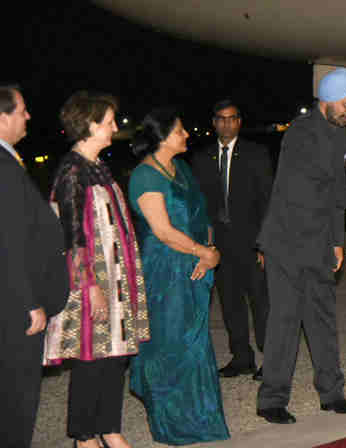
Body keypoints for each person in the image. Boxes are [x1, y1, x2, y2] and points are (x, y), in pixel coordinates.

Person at [254, 68, 346, 424]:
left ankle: (332, 394)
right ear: (328, 99)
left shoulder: (337, 133)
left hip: (317, 240)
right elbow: (323, 186)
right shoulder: (300, 134)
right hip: (286, 241)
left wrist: (336, 241)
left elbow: (333, 186)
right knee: (285, 321)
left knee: (322, 319)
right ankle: (271, 400)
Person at [43, 91, 150, 448]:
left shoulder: (98, 166)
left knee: (115, 356)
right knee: (91, 359)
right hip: (91, 280)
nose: (115, 127)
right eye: (108, 122)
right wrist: (89, 286)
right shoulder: (72, 170)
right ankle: (83, 435)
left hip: (115, 280)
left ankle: (109, 428)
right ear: (89, 126)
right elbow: (71, 236)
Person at [128, 108, 230, 444]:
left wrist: (209, 248)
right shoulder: (145, 176)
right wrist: (204, 253)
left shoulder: (181, 168)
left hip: (194, 264)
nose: (187, 135)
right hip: (164, 272)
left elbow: (200, 214)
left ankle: (200, 419)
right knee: (169, 345)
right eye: (180, 130)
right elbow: (163, 231)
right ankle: (172, 424)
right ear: (162, 137)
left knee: (196, 345)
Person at [0, 84, 69, 448]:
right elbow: (7, 243)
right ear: (2, 117)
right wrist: (28, 303)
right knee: (16, 401)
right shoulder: (3, 168)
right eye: (22, 109)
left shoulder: (10, 162)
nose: (27, 116)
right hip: (15, 310)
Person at [191, 99, 273, 381]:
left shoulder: (256, 154)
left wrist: (265, 244)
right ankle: (241, 357)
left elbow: (267, 201)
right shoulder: (202, 158)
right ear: (214, 123)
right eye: (221, 119)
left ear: (240, 121)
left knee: (260, 302)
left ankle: (271, 360)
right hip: (219, 245)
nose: (227, 124)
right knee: (230, 303)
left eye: (232, 118)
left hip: (251, 242)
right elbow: (199, 205)